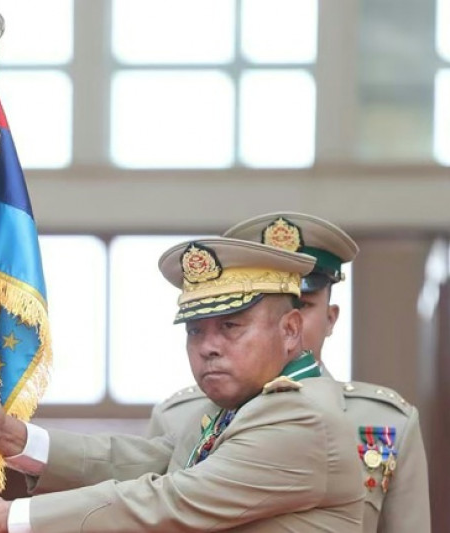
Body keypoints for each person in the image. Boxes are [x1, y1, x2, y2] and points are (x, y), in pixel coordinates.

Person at [0, 237, 365, 532]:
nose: (208, 348)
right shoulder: (241, 404)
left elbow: (173, 500)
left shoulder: (299, 415)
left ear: (291, 331)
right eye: (195, 332)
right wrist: (13, 437)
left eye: (231, 326)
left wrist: (10, 520)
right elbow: (147, 461)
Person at [148, 212, 430, 532]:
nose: (288, 320)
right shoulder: (180, 417)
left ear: (330, 318)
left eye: (304, 304)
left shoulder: (388, 421)